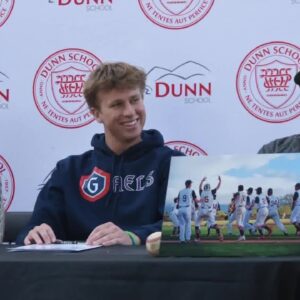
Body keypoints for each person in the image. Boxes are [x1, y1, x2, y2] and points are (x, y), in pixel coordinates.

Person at [16, 62, 183, 246]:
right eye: (117, 104)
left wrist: (134, 237)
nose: (130, 112)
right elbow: (33, 228)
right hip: (79, 274)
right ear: (96, 114)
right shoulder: (69, 171)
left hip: (149, 273)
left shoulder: (174, 163)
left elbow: (186, 227)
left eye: (135, 100)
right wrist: (36, 234)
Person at [195, 176, 223, 241]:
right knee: (214, 224)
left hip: (201, 210)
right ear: (209, 188)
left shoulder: (201, 192)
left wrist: (202, 180)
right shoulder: (211, 192)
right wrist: (220, 181)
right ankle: (219, 233)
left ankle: (197, 238)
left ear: (204, 187)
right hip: (209, 211)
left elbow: (199, 187)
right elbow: (217, 187)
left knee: (197, 224)